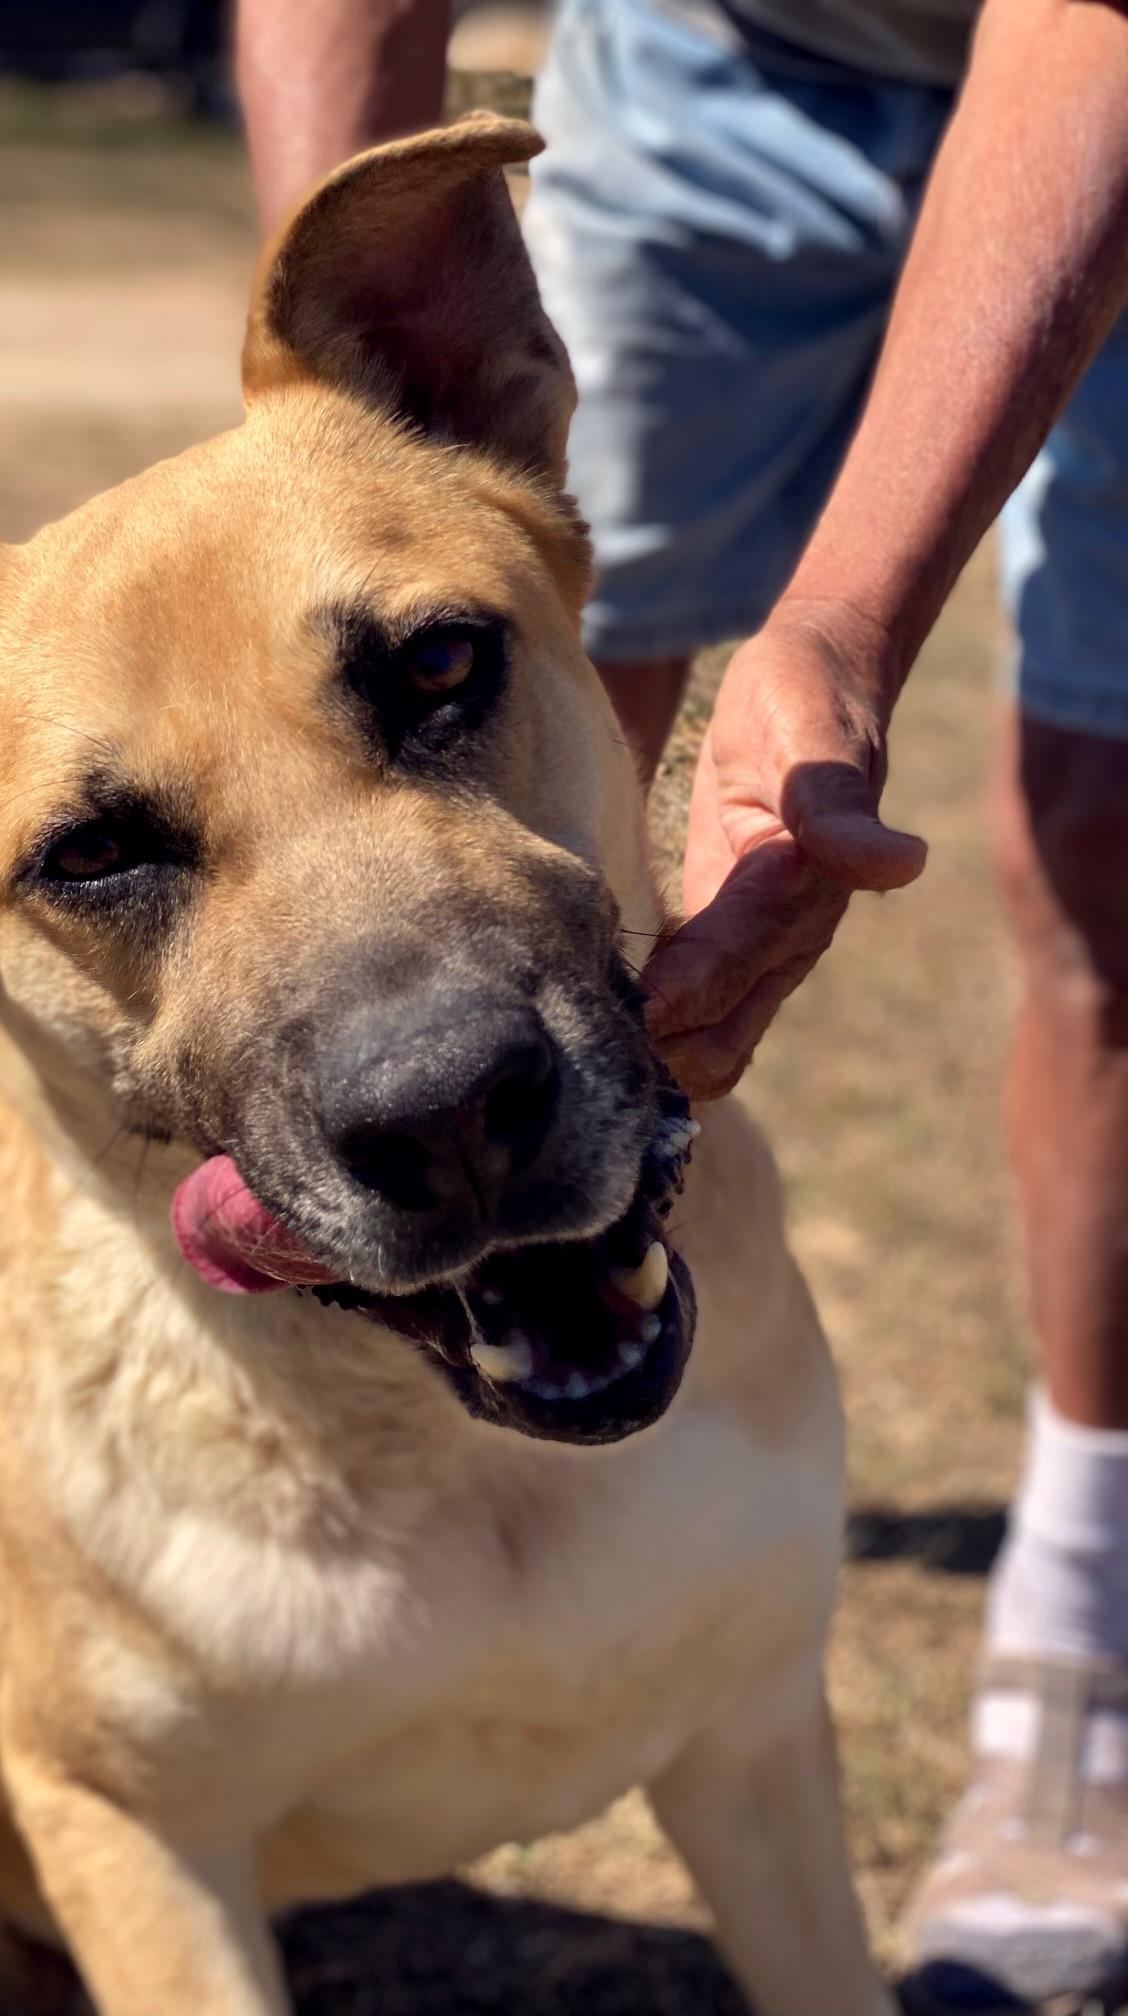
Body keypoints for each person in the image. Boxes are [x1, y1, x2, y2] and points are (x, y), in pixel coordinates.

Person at [236, 0, 1128, 2006]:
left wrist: (841, 622)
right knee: (497, 676)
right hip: (731, 49)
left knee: (1109, 847)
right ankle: (511, 1466)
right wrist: (341, 422)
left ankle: (1081, 1648)